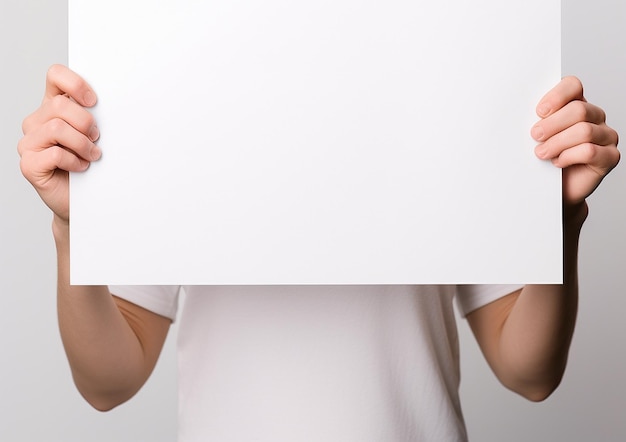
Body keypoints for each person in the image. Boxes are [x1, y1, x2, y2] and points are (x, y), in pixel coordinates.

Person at [18, 64, 620, 441]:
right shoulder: (187, 112)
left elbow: (531, 371)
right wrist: (74, 228)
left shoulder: (442, 105)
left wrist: (558, 222)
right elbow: (108, 381)